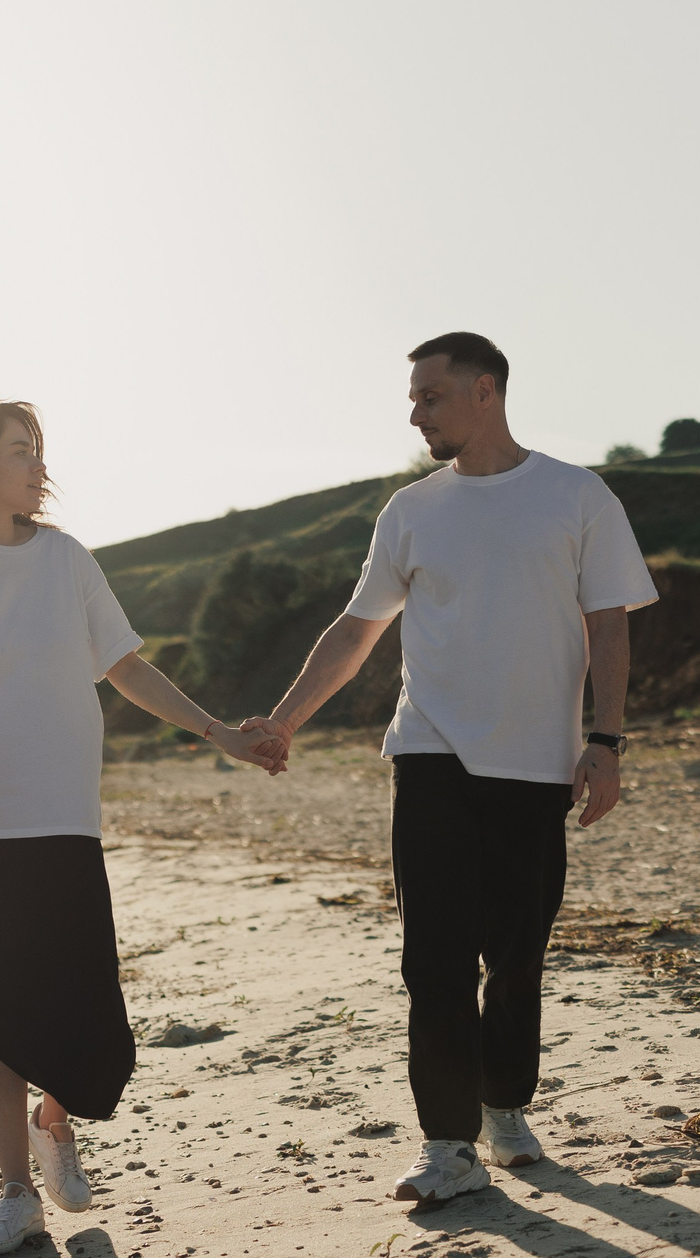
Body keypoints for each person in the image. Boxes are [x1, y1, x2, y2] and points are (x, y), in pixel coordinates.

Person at [245, 333, 657, 1208]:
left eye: (430, 395)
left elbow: (610, 623)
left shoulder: (576, 496)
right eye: (413, 397)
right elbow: (357, 630)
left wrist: (607, 741)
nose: (415, 411)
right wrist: (284, 720)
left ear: (485, 390)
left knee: (514, 957)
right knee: (432, 960)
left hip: (537, 764)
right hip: (428, 755)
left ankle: (504, 1103)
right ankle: (446, 1142)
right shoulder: (411, 510)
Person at [0, 396, 284, 1255]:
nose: (38, 467)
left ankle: (54, 1116)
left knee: (87, 1009)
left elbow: (126, 666)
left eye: (38, 450)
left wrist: (218, 731)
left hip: (62, 815)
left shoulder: (64, 560)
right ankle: (14, 1192)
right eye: (19, 451)